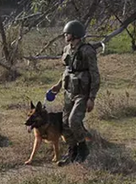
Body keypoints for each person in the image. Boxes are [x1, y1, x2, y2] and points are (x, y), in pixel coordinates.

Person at [50, 20, 100, 166]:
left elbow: (95, 75)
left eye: (68, 33)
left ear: (75, 34)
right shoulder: (67, 49)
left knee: (74, 121)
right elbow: (68, 70)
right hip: (69, 91)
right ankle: (72, 152)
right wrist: (59, 85)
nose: (65, 35)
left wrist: (92, 97)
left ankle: (83, 149)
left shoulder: (87, 51)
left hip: (82, 93)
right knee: (65, 123)